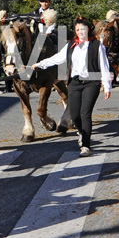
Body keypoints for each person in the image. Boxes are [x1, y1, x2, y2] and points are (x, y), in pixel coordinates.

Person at [32, 17, 111, 156]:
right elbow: (57, 58)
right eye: (78, 30)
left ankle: (86, 145)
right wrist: (39, 64)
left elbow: (104, 66)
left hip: (91, 83)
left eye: (83, 29)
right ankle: (81, 132)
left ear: (88, 30)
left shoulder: (98, 46)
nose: (81, 32)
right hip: (74, 83)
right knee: (74, 115)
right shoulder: (70, 46)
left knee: (85, 113)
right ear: (75, 31)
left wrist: (107, 85)